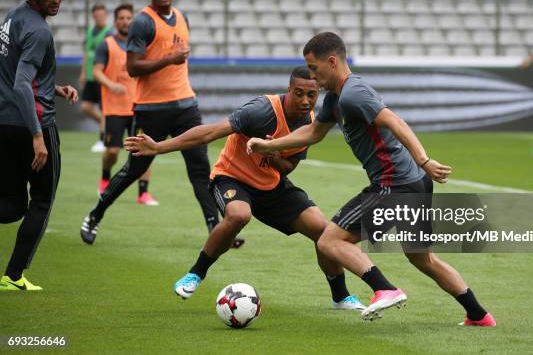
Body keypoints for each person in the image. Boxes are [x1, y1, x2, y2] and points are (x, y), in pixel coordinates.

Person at [247, 32, 496, 325]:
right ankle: (479, 315)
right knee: (422, 258)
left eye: (314, 69)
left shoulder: (353, 93)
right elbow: (314, 133)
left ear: (331, 61)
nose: (312, 77)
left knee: (329, 240)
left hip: (395, 184)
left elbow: (393, 121)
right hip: (412, 183)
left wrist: (424, 159)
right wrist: (269, 145)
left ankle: (384, 288)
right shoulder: (336, 98)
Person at [124, 66, 375, 311]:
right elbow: (209, 133)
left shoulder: (309, 124)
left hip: (271, 186)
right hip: (231, 178)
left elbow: (287, 167)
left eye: (312, 94)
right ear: (289, 89)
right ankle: (195, 274)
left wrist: (272, 151)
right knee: (238, 215)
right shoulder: (261, 110)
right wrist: (159, 147)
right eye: (299, 93)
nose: (305, 100)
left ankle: (340, 297)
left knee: (324, 231)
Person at [79, 0, 222, 246]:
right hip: (151, 110)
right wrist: (169, 59)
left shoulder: (183, 18)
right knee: (134, 169)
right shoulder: (143, 22)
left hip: (186, 106)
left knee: (200, 168)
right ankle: (95, 216)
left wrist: (173, 61)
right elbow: (133, 67)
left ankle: (215, 229)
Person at [0, 0, 78, 291]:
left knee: (11, 206)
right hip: (33, 124)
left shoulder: (13, 17)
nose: (56, 0)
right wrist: (37, 136)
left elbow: (17, 73)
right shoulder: (39, 31)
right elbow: (21, 84)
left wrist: (53, 87)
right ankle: (13, 276)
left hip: (4, 122)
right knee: (42, 201)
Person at [92, 3, 158, 205]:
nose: (125, 21)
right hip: (114, 108)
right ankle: (105, 178)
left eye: (129, 18)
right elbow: (96, 71)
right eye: (121, 18)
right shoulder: (107, 44)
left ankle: (143, 193)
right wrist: (112, 85)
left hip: (139, 107)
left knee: (144, 149)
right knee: (112, 151)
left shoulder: (141, 45)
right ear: (115, 21)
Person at [80, 4, 113, 152]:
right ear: (94, 16)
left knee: (104, 109)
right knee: (86, 106)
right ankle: (107, 124)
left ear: (106, 15)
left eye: (102, 15)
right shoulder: (90, 32)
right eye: (97, 15)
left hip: (102, 77)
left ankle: (102, 140)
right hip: (90, 76)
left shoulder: (109, 33)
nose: (99, 17)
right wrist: (82, 73)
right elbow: (86, 54)